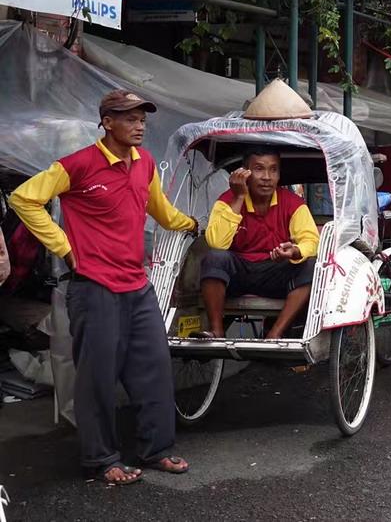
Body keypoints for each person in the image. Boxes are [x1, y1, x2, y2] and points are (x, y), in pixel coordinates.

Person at [9, 89, 196, 485]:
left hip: (137, 283)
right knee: (97, 377)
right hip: (94, 287)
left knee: (154, 368)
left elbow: (160, 210)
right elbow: (24, 199)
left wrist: (192, 224)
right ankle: (101, 459)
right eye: (129, 118)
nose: (139, 126)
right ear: (107, 122)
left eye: (142, 119)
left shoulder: (145, 163)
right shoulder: (78, 164)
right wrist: (64, 247)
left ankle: (156, 449)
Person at [198, 148, 320, 340]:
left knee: (312, 267)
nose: (267, 177)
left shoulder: (293, 203)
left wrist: (294, 251)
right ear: (244, 173)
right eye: (259, 169)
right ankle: (216, 330)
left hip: (275, 272)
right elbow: (217, 243)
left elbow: (311, 241)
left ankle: (275, 334)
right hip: (238, 273)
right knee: (214, 258)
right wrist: (239, 198)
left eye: (273, 170)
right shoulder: (226, 200)